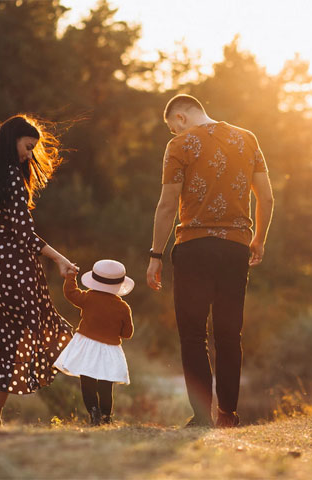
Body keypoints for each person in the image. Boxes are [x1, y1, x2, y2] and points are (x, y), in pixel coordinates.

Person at [147, 94, 274, 428]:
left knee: (193, 335)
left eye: (172, 127)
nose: (173, 133)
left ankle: (202, 416)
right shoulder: (247, 139)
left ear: (180, 118)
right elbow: (267, 196)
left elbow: (167, 204)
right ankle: (228, 415)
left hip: (194, 248)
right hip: (235, 249)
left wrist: (155, 254)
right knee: (230, 333)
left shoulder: (179, 146)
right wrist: (258, 239)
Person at [0, 115, 78, 426]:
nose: (29, 154)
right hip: (14, 264)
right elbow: (24, 235)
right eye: (28, 147)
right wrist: (58, 258)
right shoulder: (12, 176)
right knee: (16, 338)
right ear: (12, 139)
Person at [54, 259, 134, 425]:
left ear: (95, 280)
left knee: (87, 382)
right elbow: (127, 334)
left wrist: (70, 276)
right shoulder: (123, 307)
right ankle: (106, 417)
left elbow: (70, 293)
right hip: (110, 350)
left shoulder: (88, 297)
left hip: (87, 346)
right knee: (106, 385)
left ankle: (93, 412)